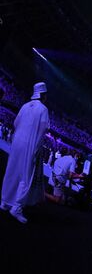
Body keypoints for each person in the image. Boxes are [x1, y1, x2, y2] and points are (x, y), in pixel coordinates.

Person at [0, 82, 49, 223]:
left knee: (12, 171)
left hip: (17, 143)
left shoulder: (25, 105)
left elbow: (15, 123)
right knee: (25, 177)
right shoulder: (43, 109)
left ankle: (4, 202)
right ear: (43, 94)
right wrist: (36, 149)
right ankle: (16, 207)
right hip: (30, 145)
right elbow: (42, 130)